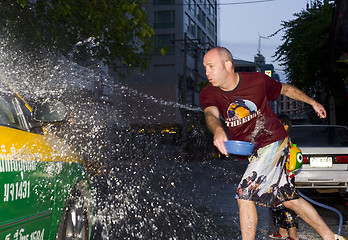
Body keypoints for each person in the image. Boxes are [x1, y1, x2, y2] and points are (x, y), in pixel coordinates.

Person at [199, 46, 347, 240]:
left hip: (273, 141)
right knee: (289, 200)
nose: (207, 72)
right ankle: (331, 237)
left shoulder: (258, 81)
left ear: (228, 65)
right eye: (205, 67)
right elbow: (211, 114)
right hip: (256, 150)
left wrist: (312, 102)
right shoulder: (209, 92)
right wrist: (218, 130)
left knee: (245, 194)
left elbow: (285, 89)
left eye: (211, 66)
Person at [269, 114, 299, 240]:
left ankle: (293, 235)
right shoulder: (278, 139)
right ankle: (282, 232)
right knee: (276, 206)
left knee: (287, 206)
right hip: (276, 178)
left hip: (284, 179)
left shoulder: (285, 140)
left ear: (285, 126)